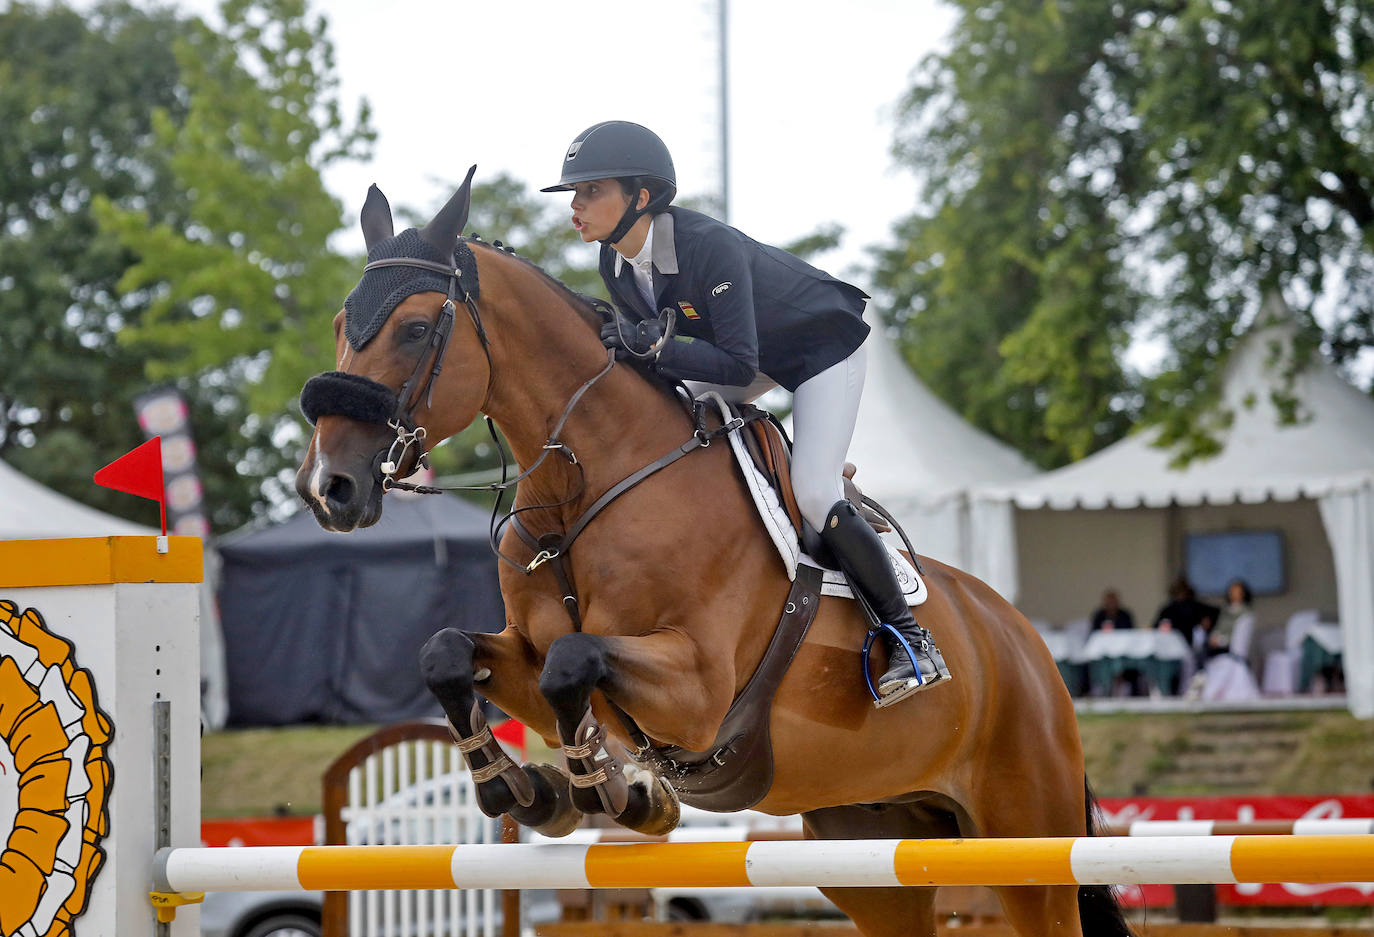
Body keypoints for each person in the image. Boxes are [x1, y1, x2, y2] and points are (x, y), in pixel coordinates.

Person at [541, 120, 951, 705]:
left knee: (814, 491)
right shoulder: (615, 263)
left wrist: (652, 347)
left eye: (591, 191)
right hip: (750, 353)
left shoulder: (708, 246)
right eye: (574, 194)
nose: (576, 206)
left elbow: (735, 364)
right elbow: (676, 363)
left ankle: (912, 640)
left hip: (820, 347)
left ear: (642, 197)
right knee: (683, 422)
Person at [1152, 576, 1217, 651]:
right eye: (1177, 591)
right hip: (1170, 642)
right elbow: (1157, 625)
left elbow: (1212, 614)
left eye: (1181, 591)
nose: (1180, 595)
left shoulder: (1195, 606)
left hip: (1189, 643)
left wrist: (1206, 621)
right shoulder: (1168, 608)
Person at [1203, 578, 1254, 660]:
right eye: (1231, 591)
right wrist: (1214, 637)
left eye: (1236, 591)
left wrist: (1220, 641)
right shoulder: (1225, 610)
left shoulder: (1245, 613)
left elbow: (1238, 637)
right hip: (1217, 645)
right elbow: (1219, 627)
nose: (1232, 593)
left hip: (1229, 649)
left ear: (1243, 593)